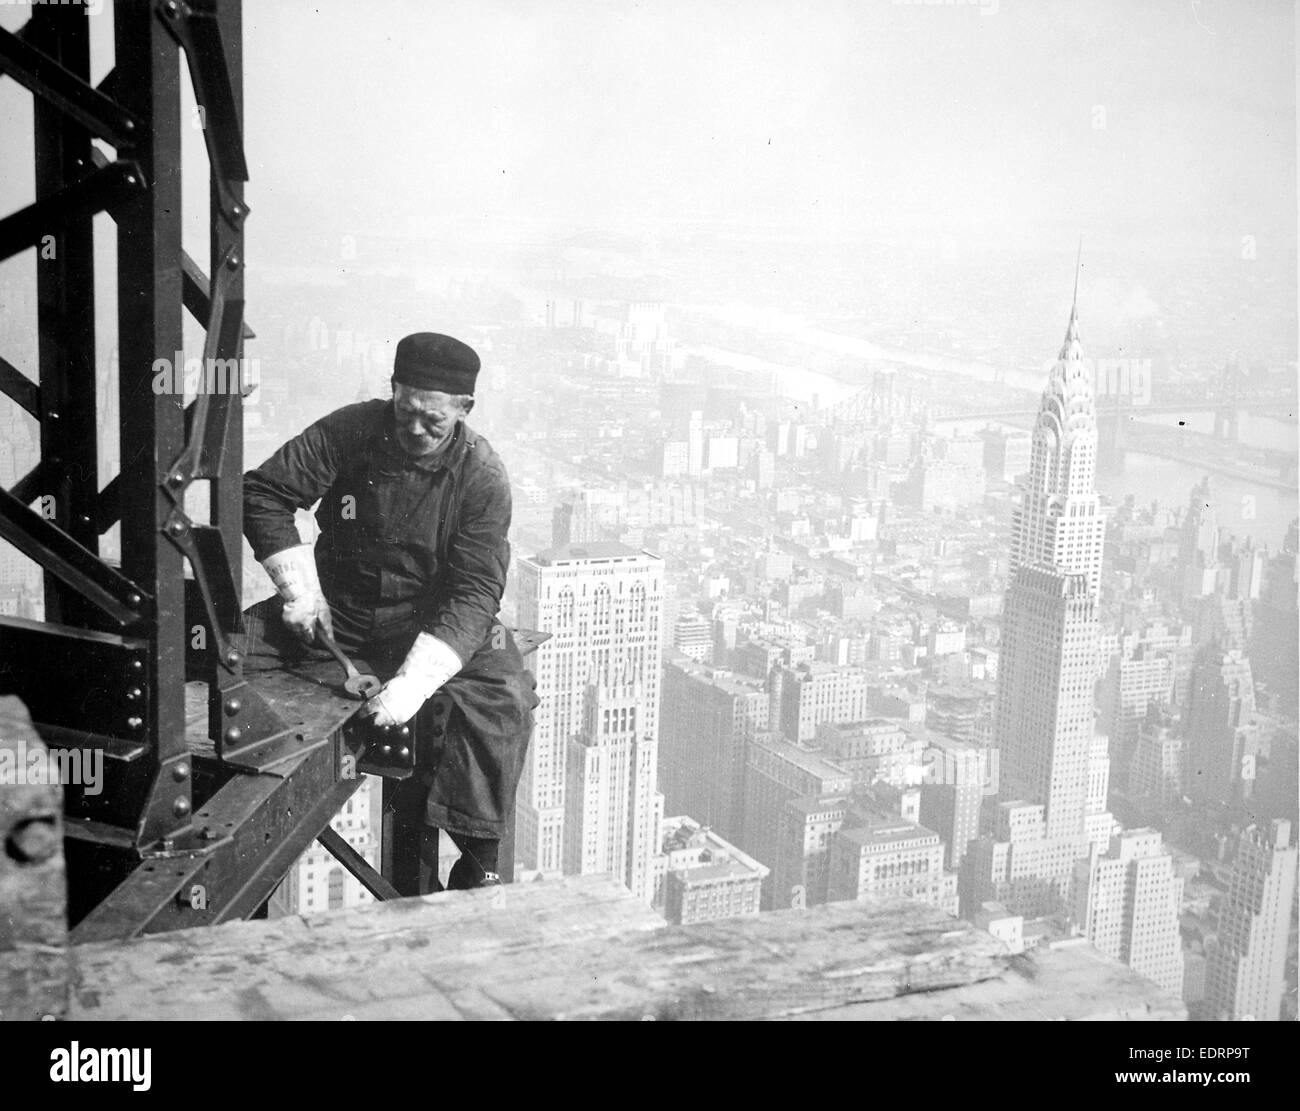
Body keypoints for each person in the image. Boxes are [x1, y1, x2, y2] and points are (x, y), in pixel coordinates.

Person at [243, 332, 536, 891]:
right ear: (392, 392)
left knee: (504, 696)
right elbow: (264, 492)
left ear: (464, 410)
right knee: (227, 654)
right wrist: (299, 591)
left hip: (428, 625)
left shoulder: (481, 476)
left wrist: (413, 685)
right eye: (405, 412)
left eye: (433, 421)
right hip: (339, 613)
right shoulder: (351, 428)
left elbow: (475, 591)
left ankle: (479, 859)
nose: (415, 430)